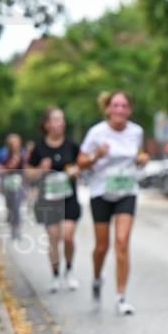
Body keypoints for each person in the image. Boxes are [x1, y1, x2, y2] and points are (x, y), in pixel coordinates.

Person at [77, 91, 148, 315]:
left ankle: (121, 296)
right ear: (107, 109)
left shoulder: (136, 132)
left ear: (129, 110)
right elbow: (81, 161)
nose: (119, 110)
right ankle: (97, 279)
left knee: (122, 242)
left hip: (127, 191)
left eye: (124, 106)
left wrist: (141, 159)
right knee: (101, 247)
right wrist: (97, 154)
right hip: (101, 192)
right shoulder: (96, 132)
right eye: (115, 105)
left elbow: (138, 156)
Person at [27, 108, 82, 293]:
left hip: (68, 197)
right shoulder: (39, 148)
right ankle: (55, 274)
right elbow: (28, 174)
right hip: (48, 199)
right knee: (53, 238)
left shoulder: (71, 145)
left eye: (62, 119)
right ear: (47, 124)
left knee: (67, 236)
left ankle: (69, 269)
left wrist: (76, 172)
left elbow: (81, 165)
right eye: (57, 120)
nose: (61, 123)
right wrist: (41, 169)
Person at [0, 134, 26, 239]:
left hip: (18, 184)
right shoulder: (5, 154)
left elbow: (15, 166)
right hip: (8, 183)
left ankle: (17, 229)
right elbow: (1, 166)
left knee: (16, 207)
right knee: (10, 206)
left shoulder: (21, 154)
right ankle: (13, 227)